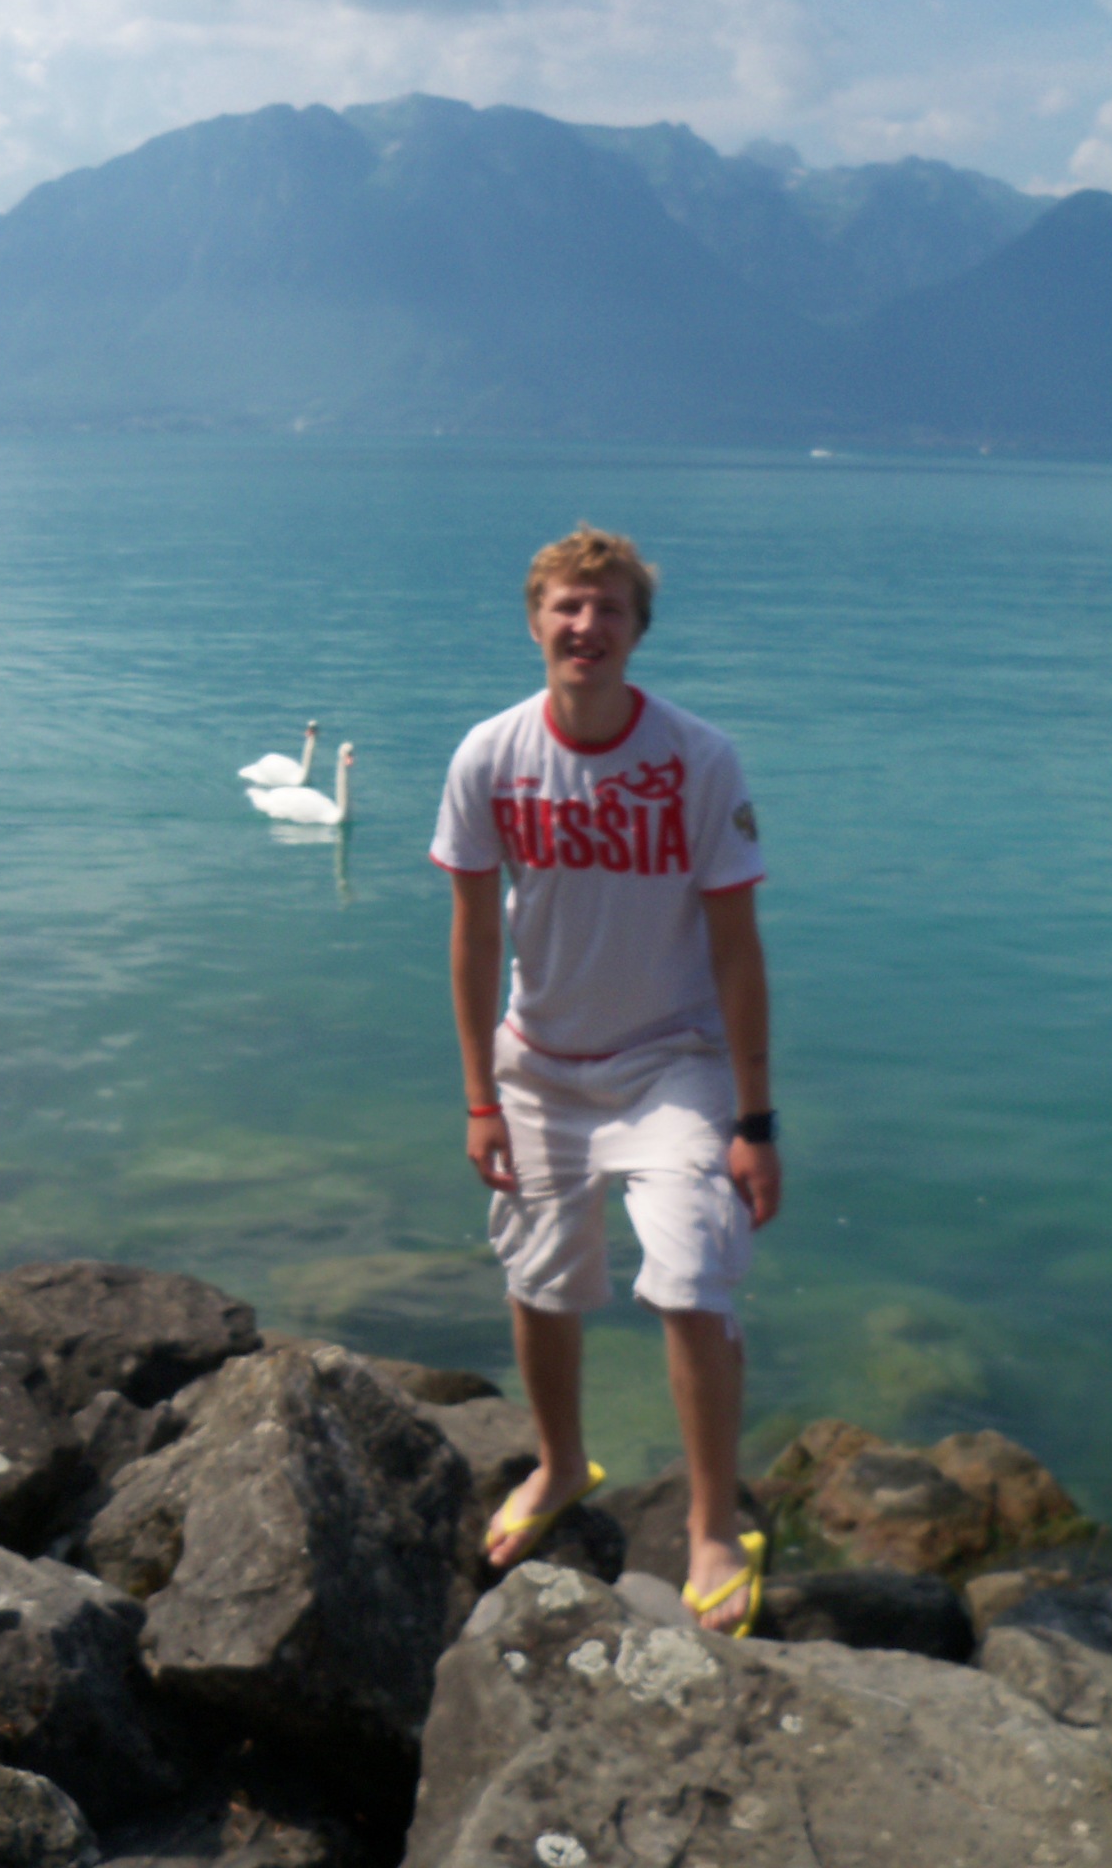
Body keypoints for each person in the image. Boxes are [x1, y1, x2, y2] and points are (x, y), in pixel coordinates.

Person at [430, 525, 781, 1635]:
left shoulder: (698, 759)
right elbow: (473, 936)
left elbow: (737, 948)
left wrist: (757, 1120)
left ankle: (714, 1524)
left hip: (674, 1061)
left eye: (610, 607)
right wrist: (481, 1094)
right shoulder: (490, 755)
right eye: (568, 605)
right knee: (540, 1278)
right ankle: (561, 1460)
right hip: (538, 1065)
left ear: (637, 629)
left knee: (691, 1276)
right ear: (536, 620)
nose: (587, 625)